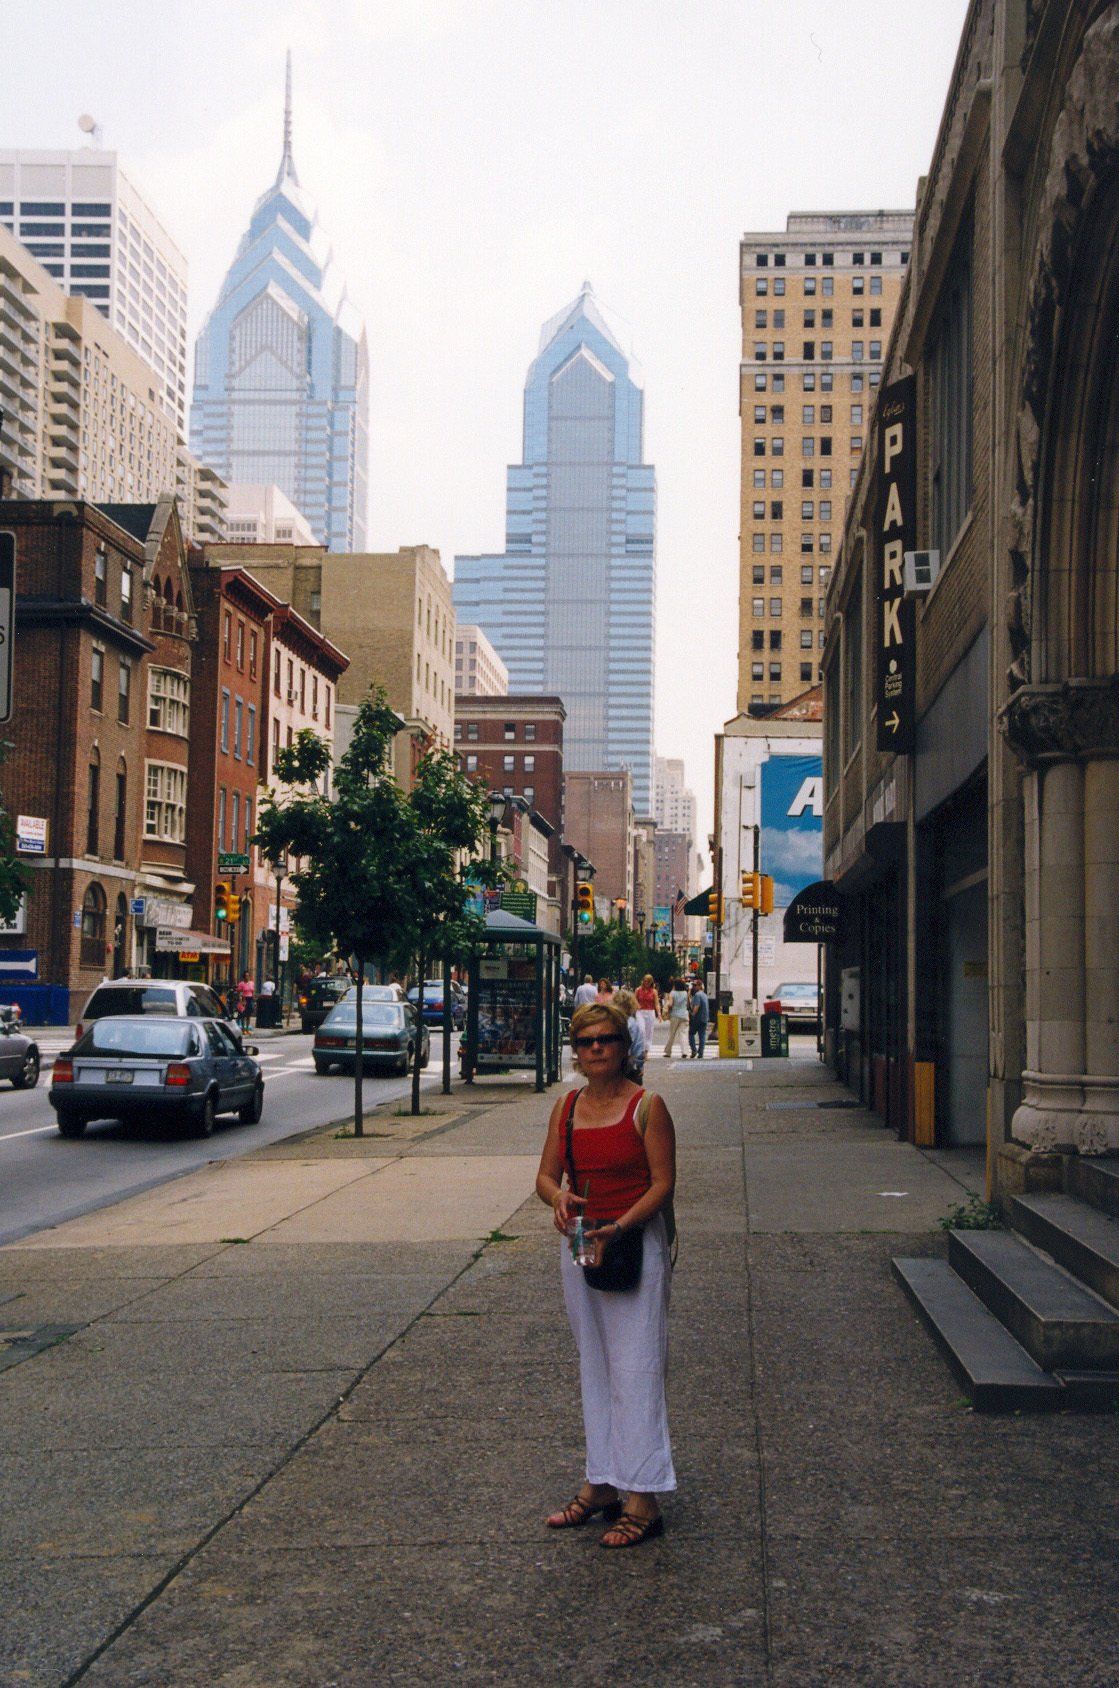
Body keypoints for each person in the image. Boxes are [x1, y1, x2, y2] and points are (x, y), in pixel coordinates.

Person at [536, 1000, 677, 1548]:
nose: (596, 1049)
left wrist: (619, 1226)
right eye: (586, 1041)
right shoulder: (567, 1107)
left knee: (636, 1366)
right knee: (594, 1363)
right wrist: (558, 1198)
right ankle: (601, 1482)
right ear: (575, 1051)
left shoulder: (647, 1107)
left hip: (633, 1242)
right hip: (582, 1242)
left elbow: (663, 1184)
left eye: (607, 1039)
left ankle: (643, 1496)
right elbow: (546, 1177)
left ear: (624, 1047)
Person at [614, 988, 645, 1082]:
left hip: (612, 1065)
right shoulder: (633, 1023)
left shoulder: (610, 1021)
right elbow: (638, 1048)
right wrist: (640, 1066)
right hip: (628, 1065)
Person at [662, 978, 690, 1059]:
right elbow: (688, 1004)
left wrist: (667, 1007)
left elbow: (670, 1004)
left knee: (672, 1034)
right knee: (683, 1034)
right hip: (684, 1015)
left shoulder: (672, 993)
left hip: (675, 1015)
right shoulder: (685, 993)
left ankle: (668, 1052)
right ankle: (685, 1052)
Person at [635, 973, 660, 1062]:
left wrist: (659, 1014)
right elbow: (634, 1001)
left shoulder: (654, 991)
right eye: (645, 981)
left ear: (651, 982)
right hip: (640, 1012)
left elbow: (656, 1003)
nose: (646, 983)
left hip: (650, 1012)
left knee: (649, 1032)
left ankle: (646, 1052)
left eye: (648, 982)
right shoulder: (638, 990)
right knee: (641, 1030)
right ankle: (640, 1051)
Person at [688, 980, 710, 1059]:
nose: (694, 987)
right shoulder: (704, 995)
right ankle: (701, 1053)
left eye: (695, 985)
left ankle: (694, 1050)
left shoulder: (697, 995)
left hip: (697, 1018)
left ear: (700, 986)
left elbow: (696, 1006)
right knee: (702, 1036)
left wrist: (692, 1014)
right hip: (704, 1018)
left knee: (691, 1033)